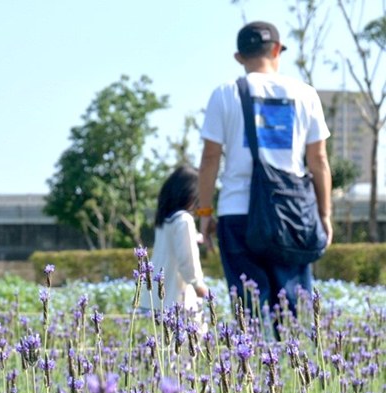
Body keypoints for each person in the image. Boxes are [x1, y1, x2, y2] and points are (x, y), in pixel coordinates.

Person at [198, 21, 332, 322]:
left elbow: (209, 159)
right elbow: (319, 160)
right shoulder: (306, 94)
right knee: (293, 313)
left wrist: (205, 213)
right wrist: (324, 215)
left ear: (239, 57)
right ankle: (292, 352)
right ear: (276, 50)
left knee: (249, 311)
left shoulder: (225, 93)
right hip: (292, 214)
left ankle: (253, 352)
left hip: (237, 212)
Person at [140, 165, 208, 326]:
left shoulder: (164, 219)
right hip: (177, 298)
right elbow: (186, 259)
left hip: (154, 296)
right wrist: (198, 285)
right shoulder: (184, 220)